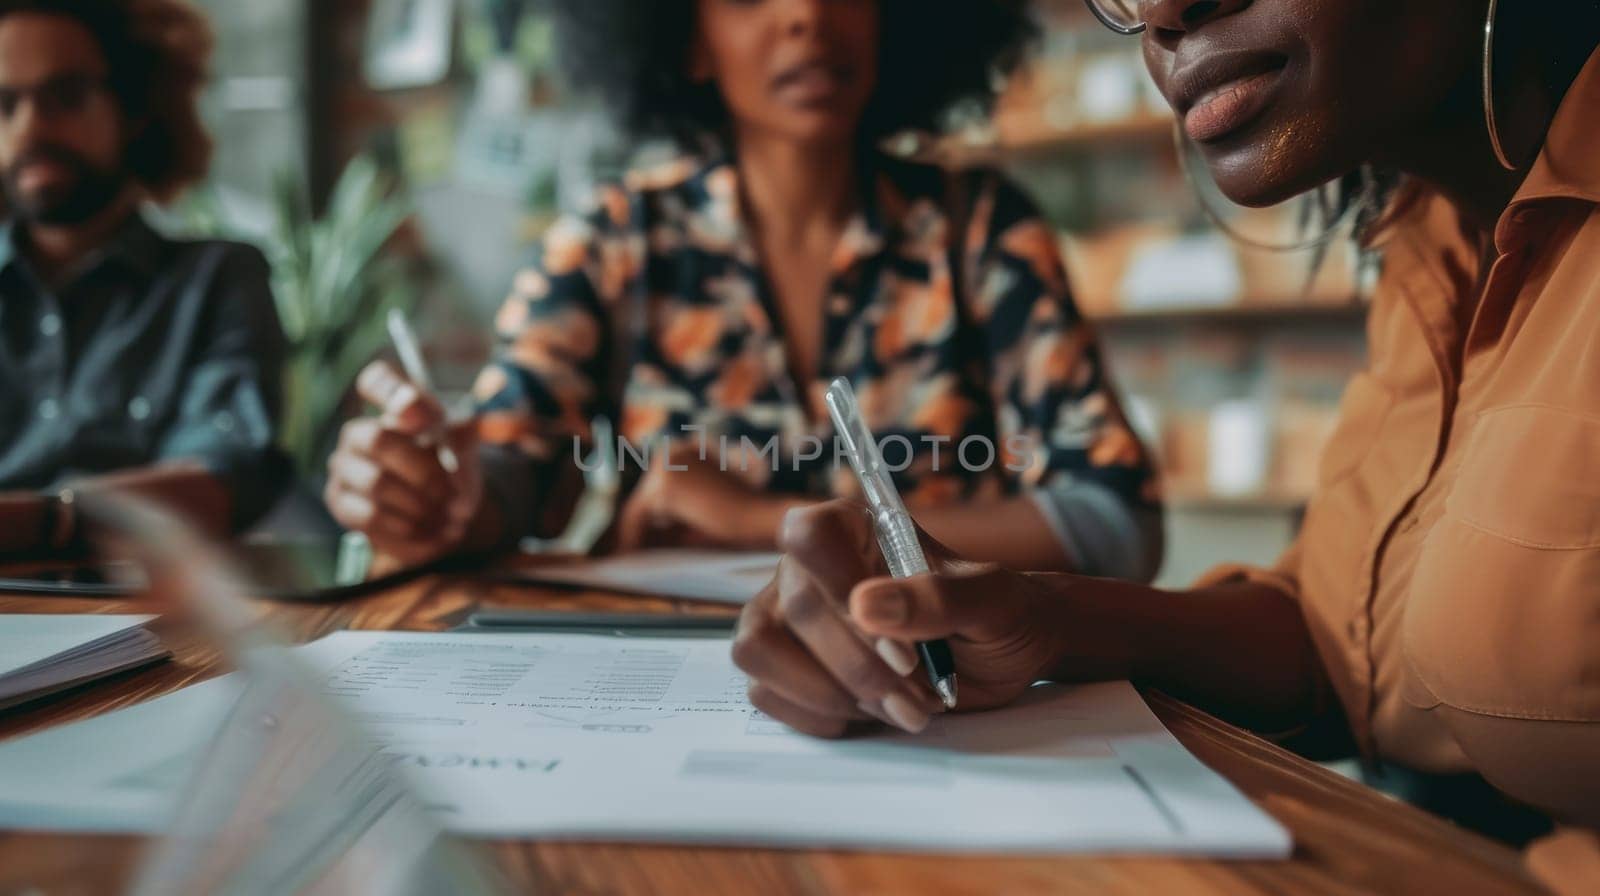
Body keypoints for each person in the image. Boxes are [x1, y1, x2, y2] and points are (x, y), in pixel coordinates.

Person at [732, 0, 1600, 882]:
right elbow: (1340, 646)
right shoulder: (1433, 238)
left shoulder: (979, 228)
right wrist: (1037, 621)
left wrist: (734, 515)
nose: (1162, 10)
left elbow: (1107, 507)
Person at [326, 0, 1162, 579]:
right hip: (663, 693)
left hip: (943, 695)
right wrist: (436, 497)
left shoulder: (979, 231)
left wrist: (755, 522)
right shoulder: (618, 242)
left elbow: (1116, 527)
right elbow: (511, 471)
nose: (806, 15)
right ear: (686, 36)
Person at [0, 0, 287, 555]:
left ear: (135, 107)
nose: (31, 126)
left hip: (154, 607)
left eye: (66, 95)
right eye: (4, 103)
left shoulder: (218, 277)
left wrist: (39, 522)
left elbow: (224, 480)